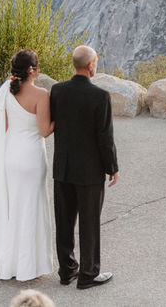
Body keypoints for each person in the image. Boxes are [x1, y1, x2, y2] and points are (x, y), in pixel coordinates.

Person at [50, 45, 119, 289]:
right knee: (89, 223)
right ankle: (88, 274)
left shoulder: (57, 91)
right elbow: (105, 137)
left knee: (64, 221)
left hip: (63, 168)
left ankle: (67, 271)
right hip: (89, 171)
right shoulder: (100, 96)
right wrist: (112, 166)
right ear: (91, 66)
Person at [0, 49, 55, 281]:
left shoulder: (6, 90)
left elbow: (6, 126)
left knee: (14, 210)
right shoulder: (41, 94)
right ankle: (29, 266)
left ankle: (11, 264)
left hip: (11, 156)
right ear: (34, 70)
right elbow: (44, 131)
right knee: (32, 209)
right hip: (31, 158)